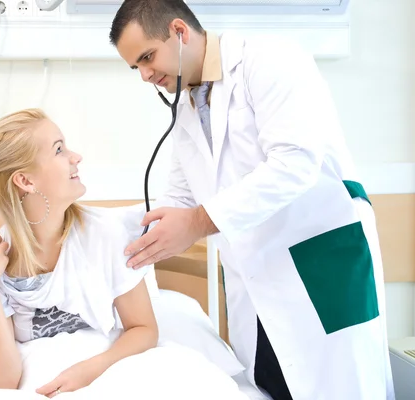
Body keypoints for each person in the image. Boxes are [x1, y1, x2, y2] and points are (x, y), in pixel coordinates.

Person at [108, 0, 395, 399]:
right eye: (135, 67)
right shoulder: (189, 106)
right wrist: (94, 227)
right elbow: (178, 196)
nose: (144, 75)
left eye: (146, 57)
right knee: (273, 383)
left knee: (340, 384)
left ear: (179, 30)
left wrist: (195, 223)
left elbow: (295, 162)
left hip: (322, 262)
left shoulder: (270, 61)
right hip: (256, 280)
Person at [0, 108, 158, 397]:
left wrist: (91, 369)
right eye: (59, 150)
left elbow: (144, 329)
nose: (76, 157)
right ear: (25, 181)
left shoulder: (105, 235)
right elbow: (1, 381)